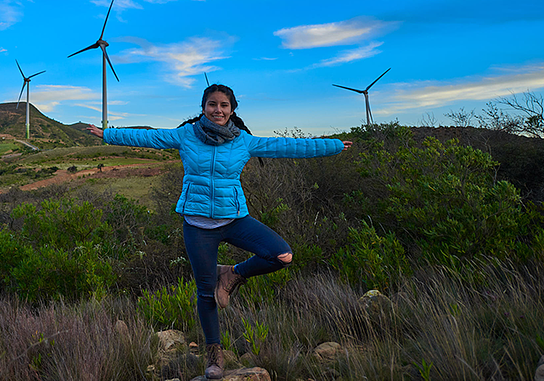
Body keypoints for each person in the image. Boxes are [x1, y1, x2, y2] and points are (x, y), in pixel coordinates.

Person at [87, 84, 351, 379]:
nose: (218, 110)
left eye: (224, 105)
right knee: (206, 294)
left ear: (232, 109)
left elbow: (289, 146)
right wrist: (107, 133)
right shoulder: (186, 135)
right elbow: (147, 136)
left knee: (282, 255)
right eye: (212, 104)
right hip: (198, 226)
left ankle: (231, 274)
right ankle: (214, 355)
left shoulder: (244, 142)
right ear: (203, 107)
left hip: (234, 219)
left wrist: (333, 145)